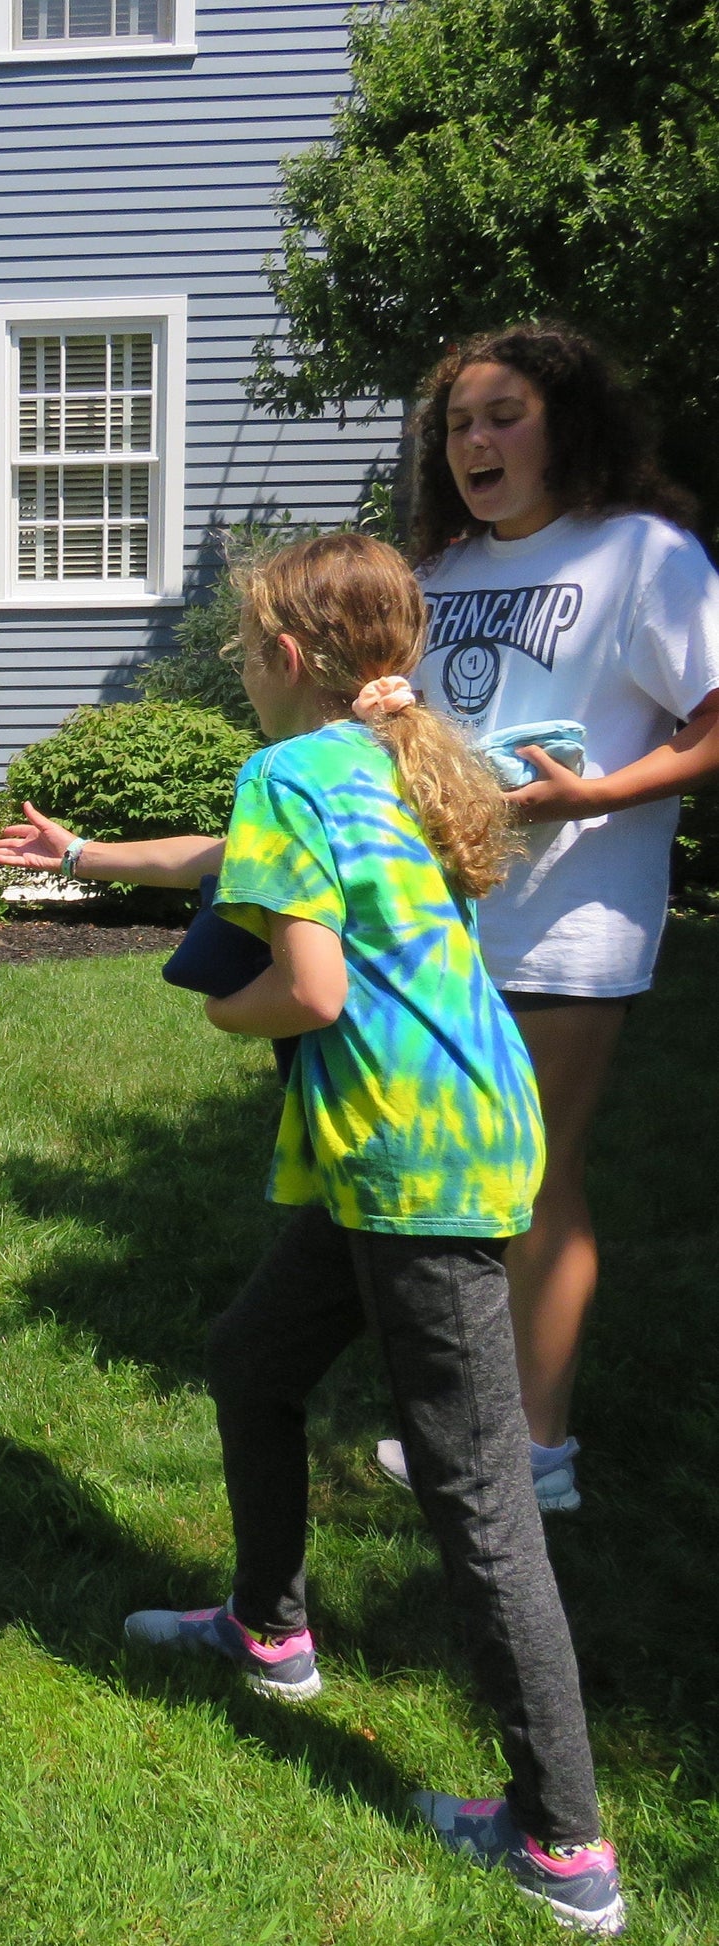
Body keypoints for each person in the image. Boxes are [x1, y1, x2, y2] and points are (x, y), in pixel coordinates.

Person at [0, 532, 624, 1935]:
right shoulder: (395, 754)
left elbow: (309, 989)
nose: (233, 663)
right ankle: (266, 1626)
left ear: (284, 654)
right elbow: (230, 859)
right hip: (434, 1133)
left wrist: (227, 1011)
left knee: (475, 1497)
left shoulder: (293, 769)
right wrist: (83, 852)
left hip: (408, 1157)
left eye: (240, 644)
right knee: (251, 1357)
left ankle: (559, 1841)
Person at [379, 322, 719, 1514]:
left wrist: (594, 794)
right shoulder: (442, 574)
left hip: (571, 917)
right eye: (457, 422)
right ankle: (471, 1421)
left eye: (501, 414)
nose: (474, 439)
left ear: (564, 423)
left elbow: (711, 720)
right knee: (456, 1178)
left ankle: (539, 1452)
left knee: (531, 1174)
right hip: (440, 920)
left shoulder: (642, 556)